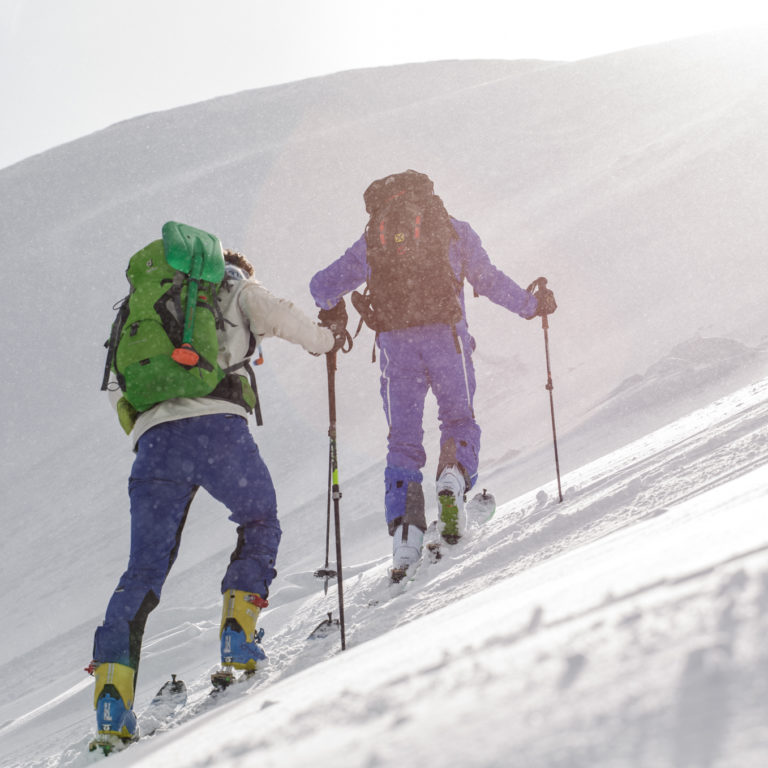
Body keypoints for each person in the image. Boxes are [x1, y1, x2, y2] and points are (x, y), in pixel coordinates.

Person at [89, 242, 344, 749]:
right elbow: (280, 316)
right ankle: (238, 634)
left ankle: (112, 702)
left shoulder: (140, 306)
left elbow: (118, 385)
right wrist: (326, 339)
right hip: (219, 429)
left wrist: (150, 428)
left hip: (155, 444)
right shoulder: (232, 282)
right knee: (260, 520)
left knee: (142, 570)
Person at [310, 170, 556, 581]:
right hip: (449, 342)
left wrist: (332, 309)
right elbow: (488, 280)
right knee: (458, 421)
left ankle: (406, 538)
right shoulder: (453, 230)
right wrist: (532, 305)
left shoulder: (374, 239)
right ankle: (452, 481)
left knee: (403, 442)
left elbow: (322, 285)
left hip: (395, 348)